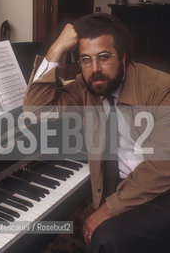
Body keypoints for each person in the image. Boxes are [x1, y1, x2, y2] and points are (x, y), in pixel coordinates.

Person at [23, 13, 170, 253]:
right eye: (85, 59)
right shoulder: (86, 86)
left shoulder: (161, 89)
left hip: (162, 190)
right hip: (124, 184)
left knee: (105, 237)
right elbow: (35, 110)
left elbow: (162, 167)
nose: (95, 69)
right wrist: (57, 46)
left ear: (123, 57)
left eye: (104, 57)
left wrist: (108, 209)